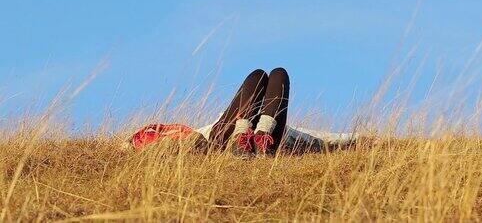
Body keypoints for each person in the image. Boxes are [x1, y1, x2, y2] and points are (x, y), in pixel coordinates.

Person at [129, 68, 362, 157]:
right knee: (261, 75)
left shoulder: (288, 131)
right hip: (224, 139)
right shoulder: (215, 126)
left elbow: (316, 138)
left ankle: (257, 138)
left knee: (278, 73)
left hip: (262, 138)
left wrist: (354, 139)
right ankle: (244, 139)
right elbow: (196, 136)